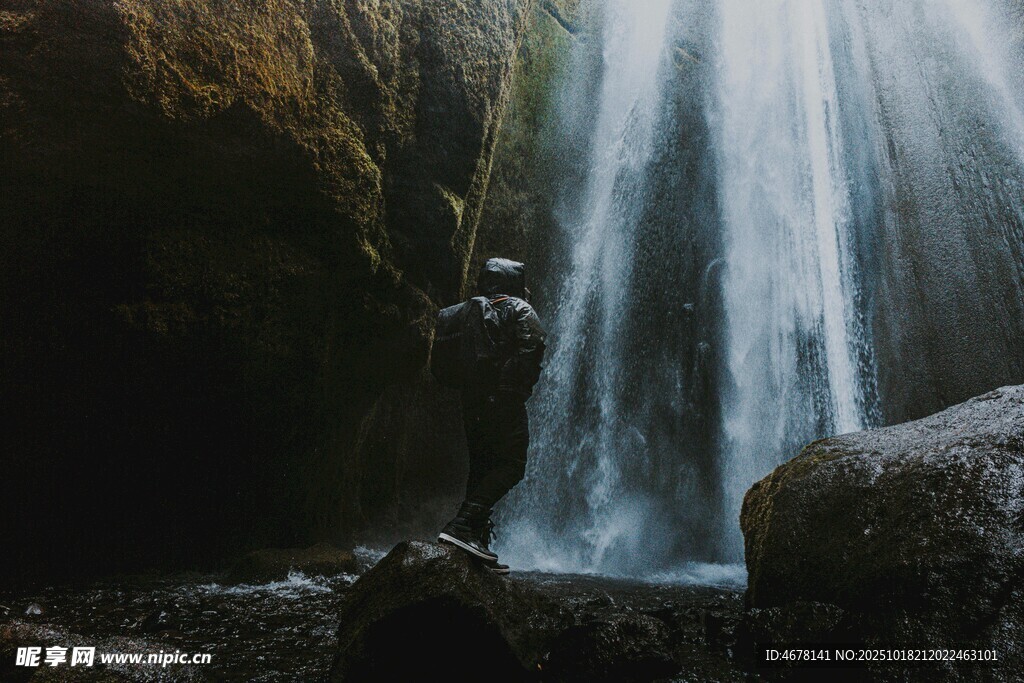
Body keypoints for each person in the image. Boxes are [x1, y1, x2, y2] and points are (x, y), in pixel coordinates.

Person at [431, 258, 546, 574]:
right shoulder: (518, 308)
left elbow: (442, 364)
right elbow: (533, 347)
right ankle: (463, 526)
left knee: (481, 466)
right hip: (503, 399)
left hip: (472, 401)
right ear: (513, 281)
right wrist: (515, 390)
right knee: (512, 464)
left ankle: (474, 543)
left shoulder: (460, 312)